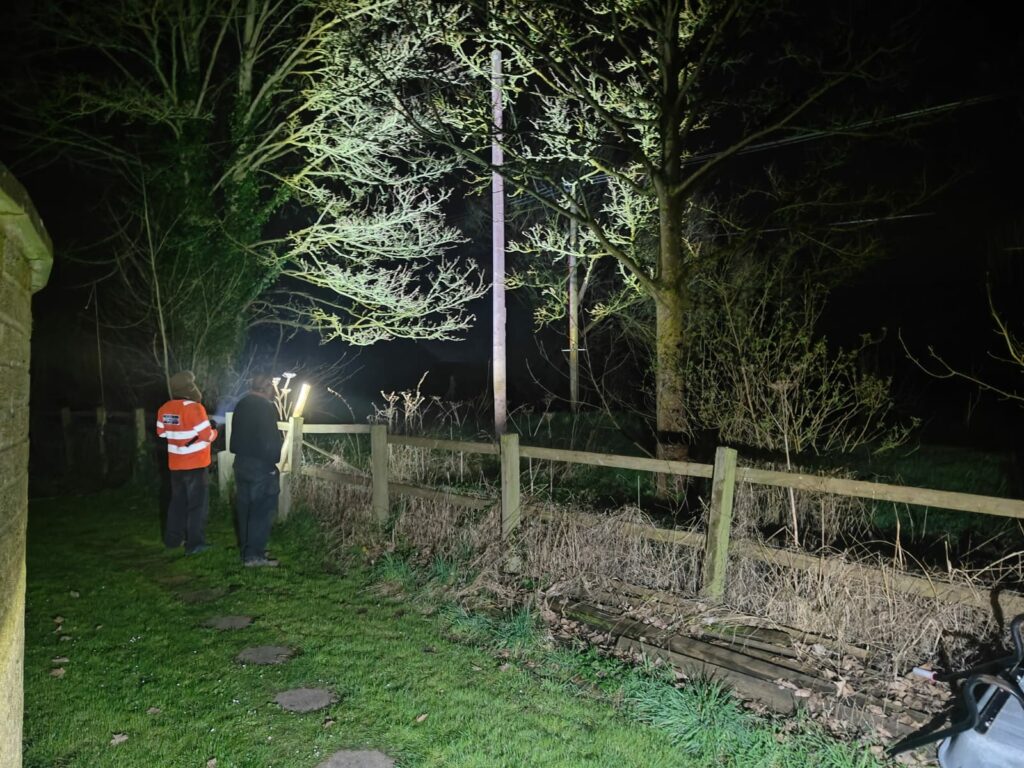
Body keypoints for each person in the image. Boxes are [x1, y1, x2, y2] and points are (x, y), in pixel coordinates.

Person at [156, 370, 218, 554]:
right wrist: (214, 431)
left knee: (177, 503)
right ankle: (195, 544)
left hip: (176, 465)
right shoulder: (195, 408)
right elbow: (207, 436)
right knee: (197, 505)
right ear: (190, 388)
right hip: (196, 465)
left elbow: (162, 433)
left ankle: (173, 540)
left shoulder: (164, 408)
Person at [230, 372, 283, 567]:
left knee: (245, 508)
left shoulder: (241, 404)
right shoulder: (265, 408)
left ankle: (248, 549)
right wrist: (273, 463)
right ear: (267, 388)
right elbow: (270, 440)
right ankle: (254, 556)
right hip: (261, 465)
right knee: (261, 509)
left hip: (241, 462)